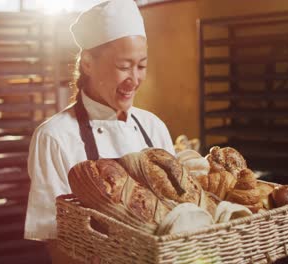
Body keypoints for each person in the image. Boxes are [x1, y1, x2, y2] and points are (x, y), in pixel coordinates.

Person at [24, 0, 176, 262]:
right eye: (123, 66)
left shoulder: (154, 127)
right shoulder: (55, 137)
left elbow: (176, 219)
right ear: (88, 64)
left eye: (141, 66)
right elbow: (55, 240)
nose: (135, 79)